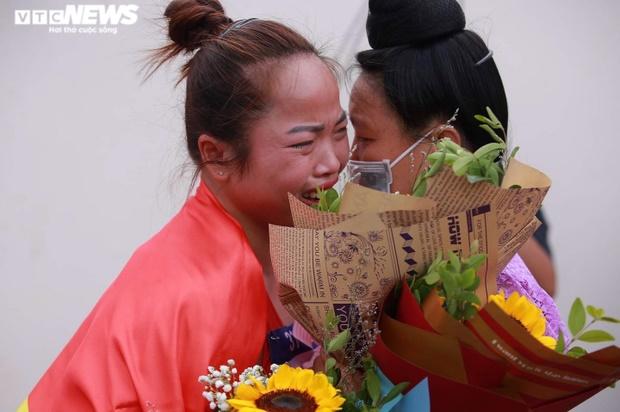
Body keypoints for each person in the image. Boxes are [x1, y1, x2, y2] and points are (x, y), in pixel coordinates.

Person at [19, 0, 349, 410]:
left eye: (340, 130)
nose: (333, 162)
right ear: (216, 155)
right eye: (303, 143)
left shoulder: (291, 239)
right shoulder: (200, 293)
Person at [348, 0, 563, 334]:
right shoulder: (370, 256)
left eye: (364, 136)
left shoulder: (503, 303)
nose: (351, 155)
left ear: (442, 147)